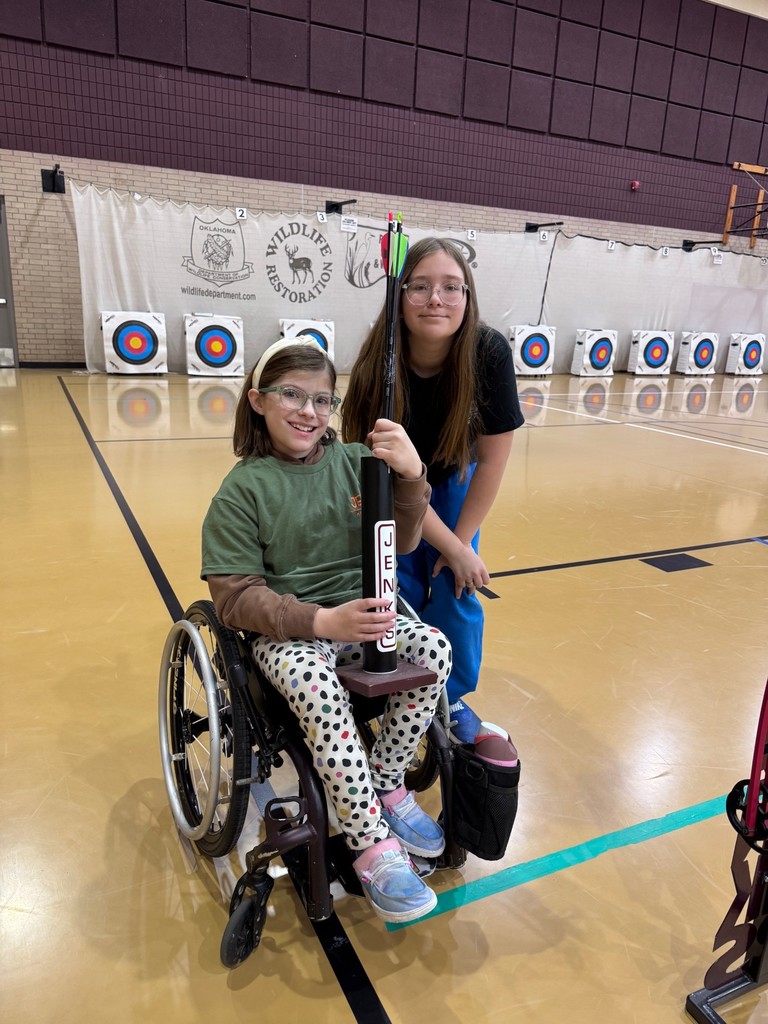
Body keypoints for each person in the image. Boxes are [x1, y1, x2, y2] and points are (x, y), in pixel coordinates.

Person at [201, 336, 452, 925]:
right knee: (318, 691)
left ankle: (384, 781)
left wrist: (412, 475)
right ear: (258, 400)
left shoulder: (357, 462)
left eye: (322, 399)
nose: (309, 412)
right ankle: (369, 843)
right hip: (291, 633)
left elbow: (403, 541)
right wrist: (320, 621)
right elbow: (235, 598)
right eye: (292, 394)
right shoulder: (242, 491)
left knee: (434, 650)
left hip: (360, 618)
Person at [343, 237, 525, 744]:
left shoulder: (488, 352)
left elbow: (492, 459)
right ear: (400, 297)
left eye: (451, 287)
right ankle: (395, 688)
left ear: (468, 297)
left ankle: (451, 697)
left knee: (456, 584)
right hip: (390, 485)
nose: (435, 300)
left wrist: (460, 546)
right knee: (392, 588)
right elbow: (379, 474)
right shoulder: (378, 360)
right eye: (419, 287)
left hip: (454, 478)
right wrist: (451, 546)